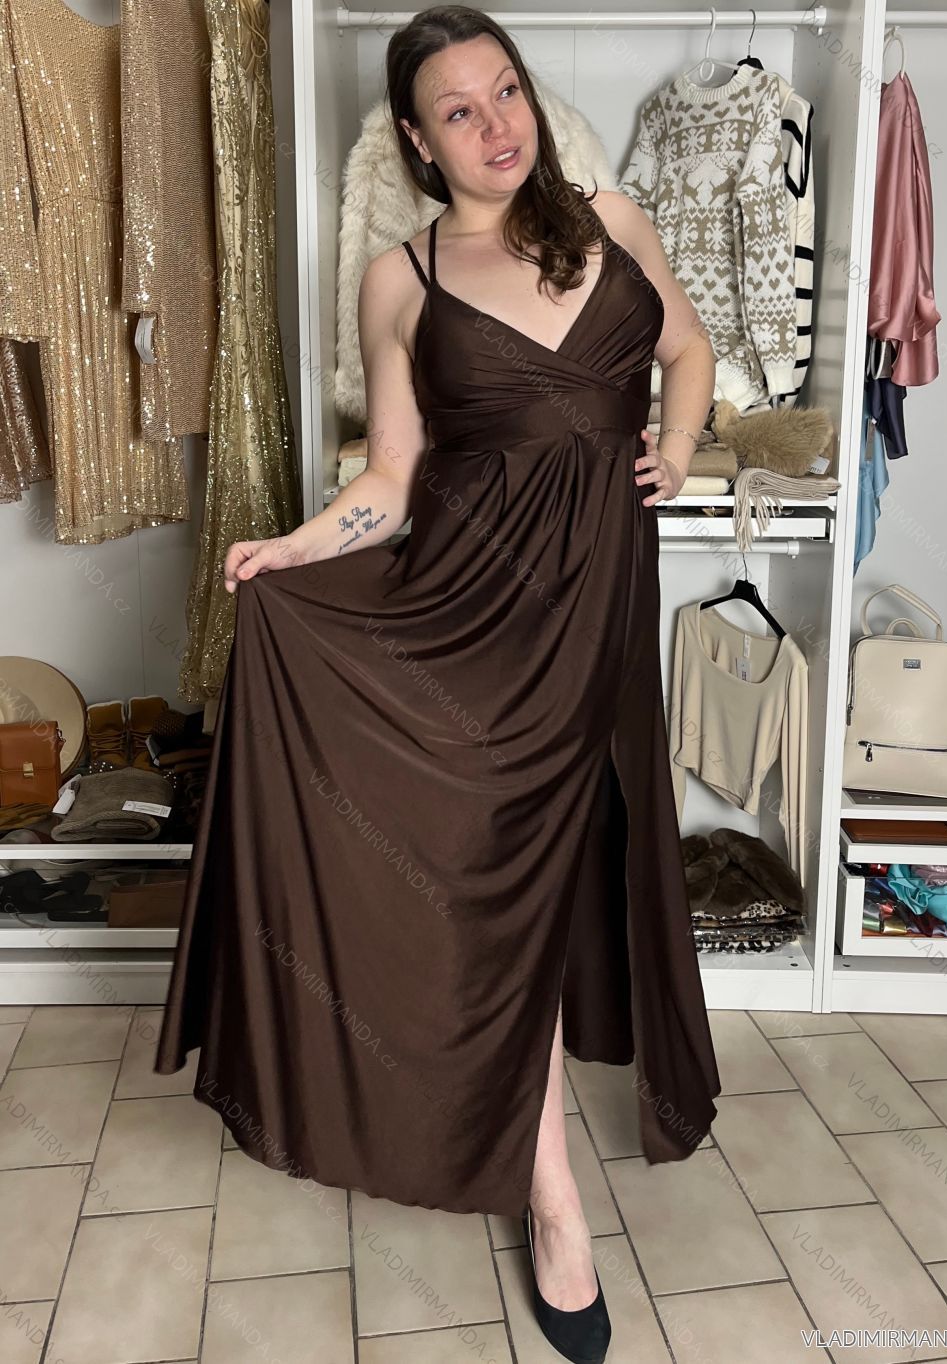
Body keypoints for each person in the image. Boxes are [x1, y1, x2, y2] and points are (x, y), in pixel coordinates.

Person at [154, 8, 720, 1363]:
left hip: (589, 626)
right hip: (462, 621)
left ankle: (527, 1160)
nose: (494, 125)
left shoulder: (614, 221)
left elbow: (688, 352)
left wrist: (683, 446)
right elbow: (395, 479)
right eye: (458, 110)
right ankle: (552, 1198)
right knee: (488, 895)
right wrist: (293, 552)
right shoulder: (399, 278)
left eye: (504, 91)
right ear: (416, 140)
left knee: (540, 884)